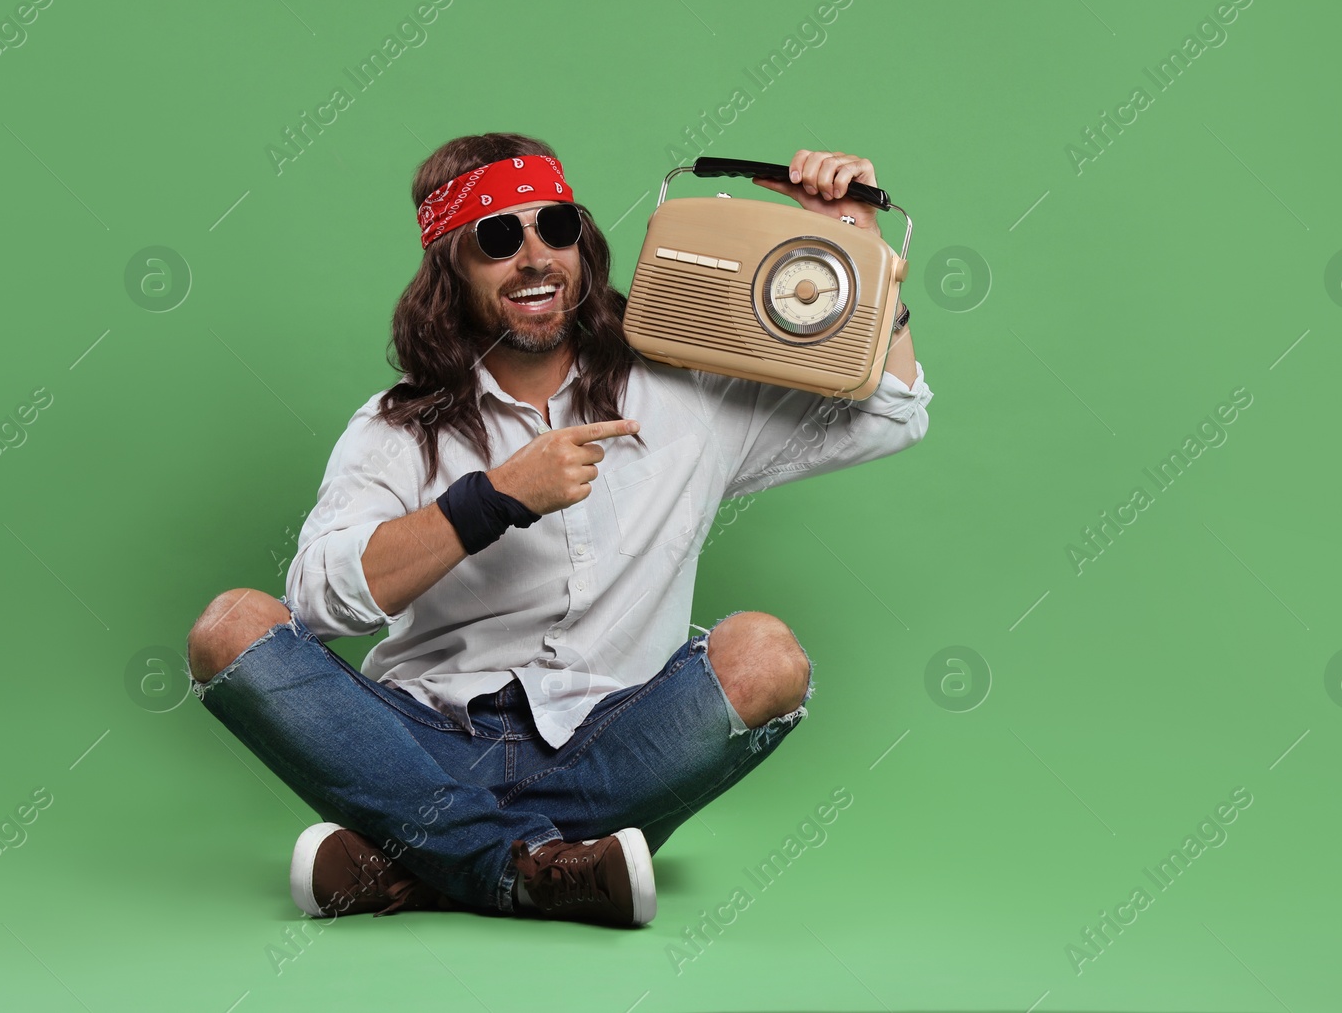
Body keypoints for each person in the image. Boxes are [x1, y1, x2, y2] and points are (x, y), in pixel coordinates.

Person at [185, 133, 932, 929]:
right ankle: (543, 870)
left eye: (556, 227)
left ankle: (430, 861)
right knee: (229, 628)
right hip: (426, 744)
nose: (536, 257)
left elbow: (892, 413)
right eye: (498, 239)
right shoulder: (396, 428)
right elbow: (318, 602)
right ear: (450, 271)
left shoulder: (687, 394)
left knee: (768, 656)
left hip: (614, 754)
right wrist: (489, 501)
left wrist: (859, 240)